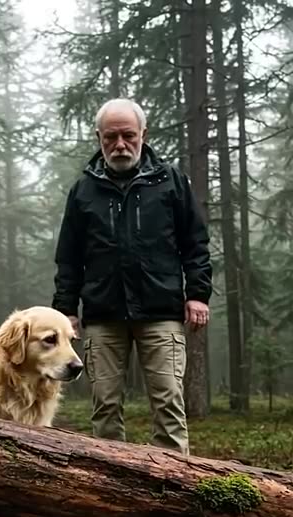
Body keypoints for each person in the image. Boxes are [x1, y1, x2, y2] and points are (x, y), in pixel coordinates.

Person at [52, 98, 212, 455]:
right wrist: (66, 310)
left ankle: (173, 494)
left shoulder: (171, 182)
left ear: (143, 134)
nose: (120, 145)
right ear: (99, 138)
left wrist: (198, 294)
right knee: (105, 407)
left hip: (162, 312)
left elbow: (195, 242)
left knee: (168, 405)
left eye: (128, 135)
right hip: (102, 316)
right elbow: (68, 257)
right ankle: (112, 498)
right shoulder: (83, 190)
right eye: (111, 137)